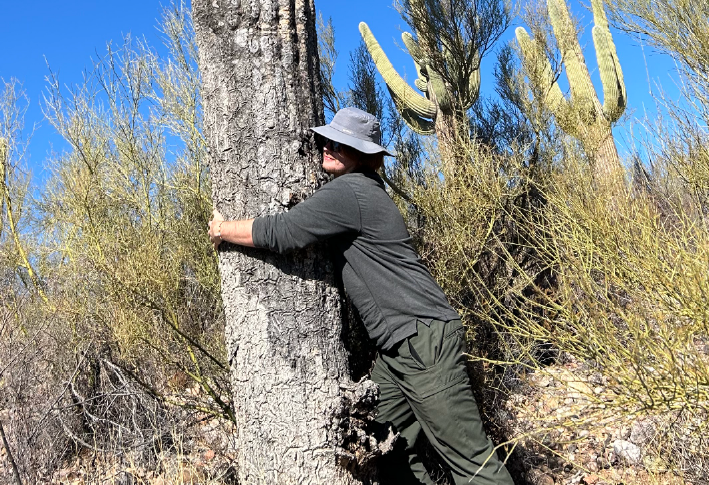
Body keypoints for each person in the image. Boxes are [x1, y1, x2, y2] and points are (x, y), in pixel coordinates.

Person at [206, 107, 510, 485]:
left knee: (472, 464)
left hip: (422, 341)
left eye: (342, 144)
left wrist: (222, 229)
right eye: (328, 140)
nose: (329, 147)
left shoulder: (352, 191)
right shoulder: (361, 192)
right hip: (401, 350)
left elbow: (285, 232)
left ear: (364, 155)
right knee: (386, 447)